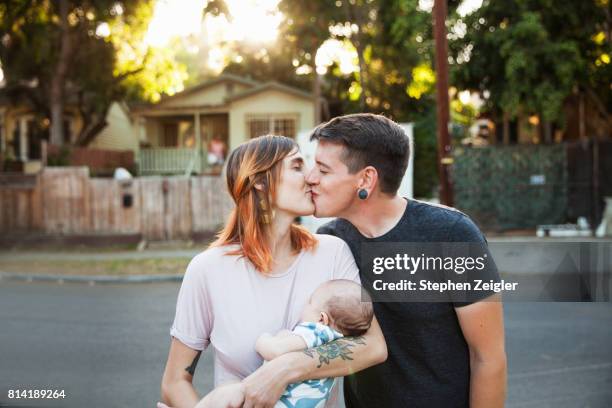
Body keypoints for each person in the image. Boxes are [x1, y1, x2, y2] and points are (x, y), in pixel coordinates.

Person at [159, 135, 387, 408]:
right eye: (297, 165)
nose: (313, 177)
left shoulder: (333, 252)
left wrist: (286, 368)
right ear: (259, 180)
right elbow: (174, 382)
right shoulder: (207, 269)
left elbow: (373, 346)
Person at [304, 113, 507, 407]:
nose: (310, 178)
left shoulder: (451, 235)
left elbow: (488, 358)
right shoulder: (332, 241)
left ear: (366, 179)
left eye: (323, 170)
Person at [193, 279, 374, 408]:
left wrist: (265, 339)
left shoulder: (316, 331)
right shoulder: (337, 341)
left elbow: (274, 350)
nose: (305, 306)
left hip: (279, 402)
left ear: (321, 318)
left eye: (310, 302)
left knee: (225, 391)